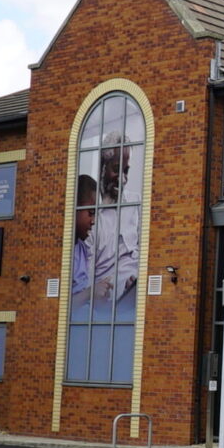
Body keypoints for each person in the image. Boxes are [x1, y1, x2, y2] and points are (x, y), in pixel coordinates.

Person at [92, 132, 139, 319]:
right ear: (103, 167)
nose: (122, 179)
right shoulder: (90, 215)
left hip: (136, 296)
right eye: (116, 169)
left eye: (125, 171)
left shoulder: (136, 202)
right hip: (107, 307)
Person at [70, 174, 97, 309]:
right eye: (90, 213)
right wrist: (90, 293)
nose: (93, 221)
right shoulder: (63, 253)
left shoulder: (82, 248)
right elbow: (62, 307)